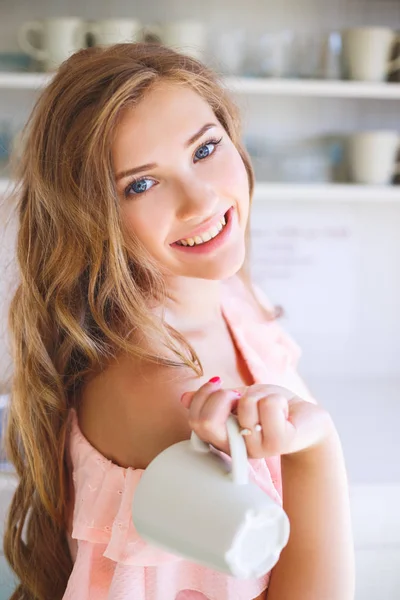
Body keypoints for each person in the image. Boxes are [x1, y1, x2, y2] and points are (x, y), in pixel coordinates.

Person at [3, 42, 355, 600]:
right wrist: (318, 446)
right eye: (140, 184)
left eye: (205, 148)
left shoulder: (230, 295)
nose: (199, 200)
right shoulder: (168, 405)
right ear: (90, 217)